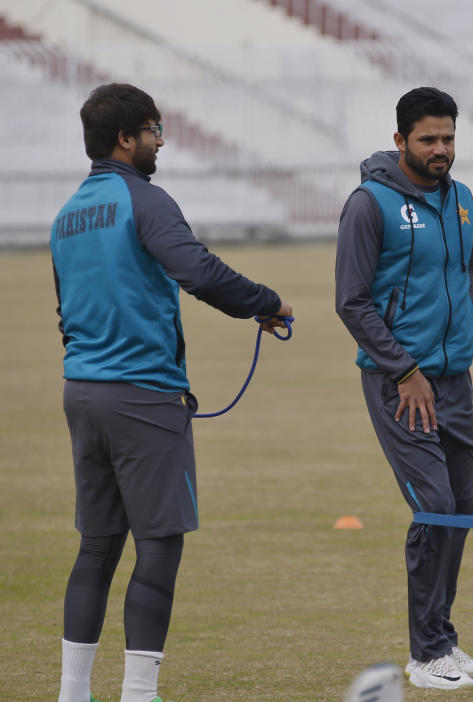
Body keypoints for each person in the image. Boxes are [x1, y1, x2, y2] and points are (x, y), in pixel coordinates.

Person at [51, 83, 292, 702]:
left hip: (82, 392)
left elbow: (66, 313)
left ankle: (72, 693)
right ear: (126, 138)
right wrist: (267, 303)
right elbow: (198, 270)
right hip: (143, 396)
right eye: (155, 131)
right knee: (158, 544)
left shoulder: (67, 214)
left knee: (97, 547)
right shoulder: (145, 199)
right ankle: (138, 693)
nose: (160, 143)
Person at [334, 87, 473, 691]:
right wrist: (404, 368)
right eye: (428, 139)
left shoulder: (463, 198)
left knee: (462, 509)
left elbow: (467, 267)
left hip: (455, 379)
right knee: (435, 506)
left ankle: (443, 641)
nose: (441, 149)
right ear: (400, 140)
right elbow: (351, 301)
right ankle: (425, 656)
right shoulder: (369, 204)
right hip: (401, 384)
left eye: (449, 138)